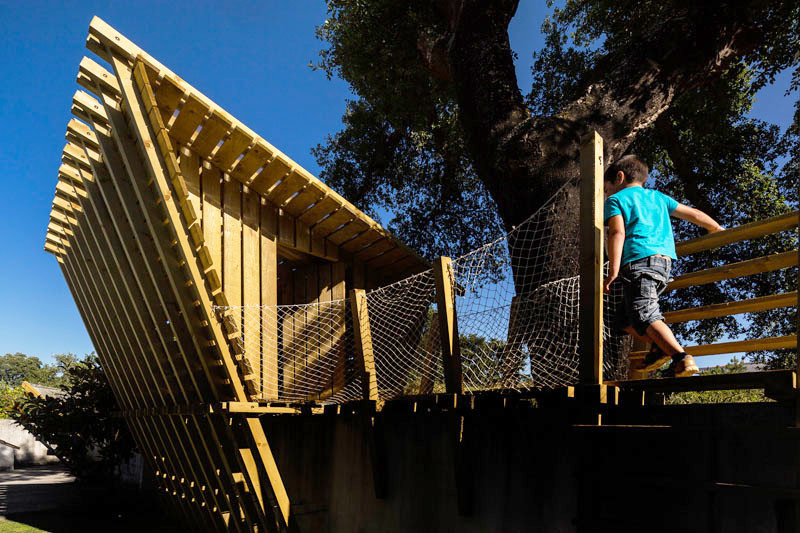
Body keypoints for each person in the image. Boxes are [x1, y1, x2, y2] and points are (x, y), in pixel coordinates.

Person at [603, 155, 724, 377]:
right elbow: (695, 214)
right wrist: (717, 229)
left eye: (607, 189)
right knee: (622, 320)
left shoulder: (616, 200)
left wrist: (613, 270)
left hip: (639, 263)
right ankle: (659, 346)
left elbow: (617, 232)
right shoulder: (659, 197)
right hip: (663, 264)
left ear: (619, 177)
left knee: (646, 313)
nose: (607, 194)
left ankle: (680, 357)